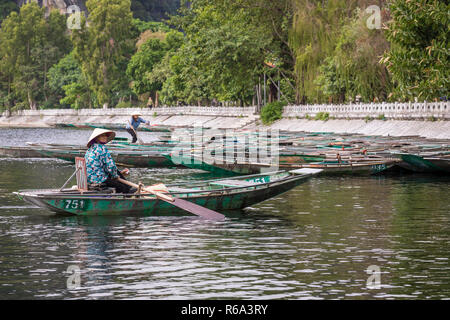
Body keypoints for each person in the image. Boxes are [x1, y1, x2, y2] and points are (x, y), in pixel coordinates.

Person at [85, 128, 136, 194]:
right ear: (97, 138)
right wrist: (115, 176)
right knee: (124, 188)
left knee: (117, 172)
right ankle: (128, 191)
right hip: (100, 179)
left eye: (105, 135)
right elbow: (111, 166)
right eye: (102, 136)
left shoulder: (89, 150)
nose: (105, 137)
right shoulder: (102, 148)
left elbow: (102, 166)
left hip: (90, 179)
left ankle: (128, 187)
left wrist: (118, 174)